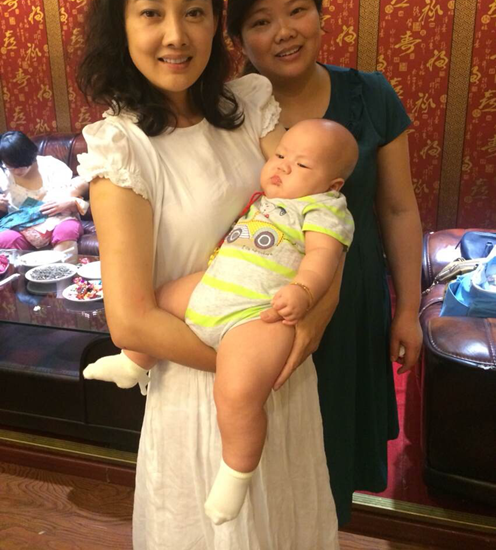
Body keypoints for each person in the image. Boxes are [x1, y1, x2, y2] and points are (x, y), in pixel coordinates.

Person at [76, 0, 342, 549]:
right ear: (121, 25)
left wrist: (316, 312)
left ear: (215, 22)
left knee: (289, 528)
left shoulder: (248, 109)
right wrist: (245, 367)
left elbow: (318, 207)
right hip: (201, 395)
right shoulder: (123, 150)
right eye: (151, 13)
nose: (176, 35)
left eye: (194, 12)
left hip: (281, 377)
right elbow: (131, 320)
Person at [226, 0, 423, 526]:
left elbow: (397, 208)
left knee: (332, 448)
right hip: (256, 305)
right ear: (239, 37)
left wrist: (407, 309)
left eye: (297, 10)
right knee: (259, 453)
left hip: (351, 300)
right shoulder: (228, 109)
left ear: (319, 13)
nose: (284, 32)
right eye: (261, 21)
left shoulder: (370, 94)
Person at [83, 118, 358, 525]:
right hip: (212, 286)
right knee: (164, 298)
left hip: (257, 313)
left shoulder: (323, 209)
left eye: (301, 165)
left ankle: (236, 471)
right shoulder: (267, 198)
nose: (282, 166)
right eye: (281, 155)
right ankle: (134, 362)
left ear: (332, 185)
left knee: (237, 392)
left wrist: (303, 291)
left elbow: (323, 258)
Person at [0, 130, 88, 258]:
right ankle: (24, 270)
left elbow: (74, 194)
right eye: (11, 167)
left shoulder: (51, 166)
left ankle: (60, 269)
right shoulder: (3, 175)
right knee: (4, 238)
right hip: (23, 227)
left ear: (31, 154)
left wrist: (67, 202)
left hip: (60, 220)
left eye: (21, 165)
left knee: (65, 230)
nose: (17, 171)